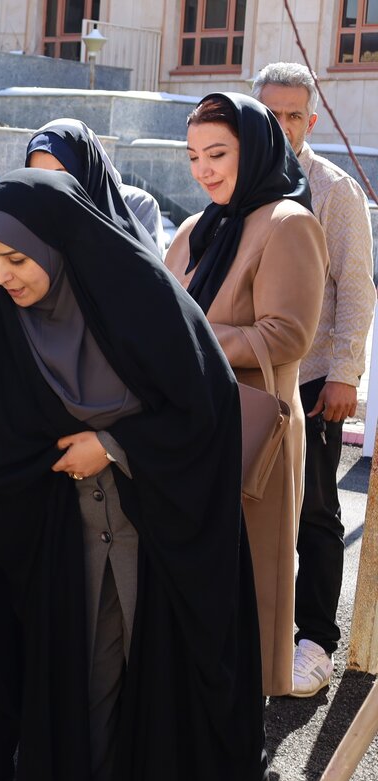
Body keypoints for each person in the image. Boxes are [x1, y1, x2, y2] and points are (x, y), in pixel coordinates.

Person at [0, 169, 267, 781]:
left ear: (58, 246)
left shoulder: (139, 297)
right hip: (71, 533)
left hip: (162, 528)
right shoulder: (3, 320)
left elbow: (209, 410)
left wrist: (112, 444)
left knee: (159, 678)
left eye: (17, 260)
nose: (2, 277)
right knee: (88, 681)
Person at [165, 92, 328, 696]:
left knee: (250, 582)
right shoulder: (194, 228)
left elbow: (288, 334)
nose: (203, 169)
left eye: (217, 154)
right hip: (189, 429)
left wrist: (189, 339)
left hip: (250, 431)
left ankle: (239, 741)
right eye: (192, 156)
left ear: (254, 150)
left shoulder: (289, 222)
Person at [253, 62, 377, 698]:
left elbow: (357, 290)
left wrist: (346, 375)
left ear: (312, 118)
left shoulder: (334, 191)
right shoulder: (240, 185)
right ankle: (261, 631)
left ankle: (315, 642)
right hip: (249, 382)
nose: (281, 125)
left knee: (316, 514)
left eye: (293, 114)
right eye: (270, 112)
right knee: (253, 509)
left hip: (314, 380)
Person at [25, 118, 164, 252]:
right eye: (39, 176)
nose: (50, 186)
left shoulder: (136, 204)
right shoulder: (29, 220)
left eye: (61, 174)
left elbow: (148, 272)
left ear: (88, 165)